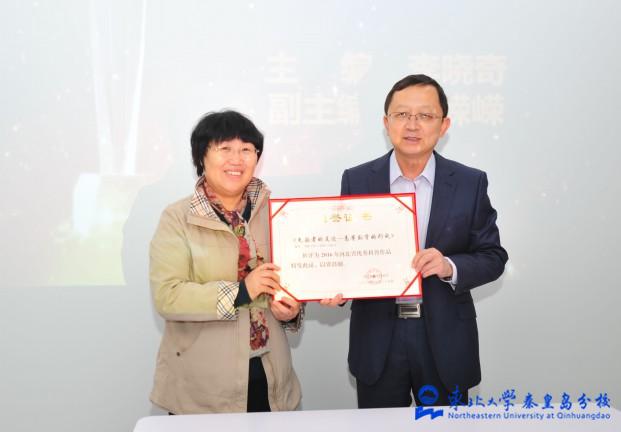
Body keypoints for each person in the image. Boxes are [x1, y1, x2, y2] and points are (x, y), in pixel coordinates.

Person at [322, 74, 508, 407]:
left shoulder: (470, 182)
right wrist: (336, 284)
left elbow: (493, 256)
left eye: (425, 115)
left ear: (444, 124)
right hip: (378, 336)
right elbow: (345, 252)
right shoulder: (358, 179)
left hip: (444, 337)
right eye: (402, 114)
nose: (412, 124)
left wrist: (449, 266)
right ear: (386, 123)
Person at [149, 110, 303, 414]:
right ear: (201, 156)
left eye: (246, 149)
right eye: (225, 149)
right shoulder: (177, 218)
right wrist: (242, 290)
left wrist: (291, 310)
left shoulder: (278, 213)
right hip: (201, 389)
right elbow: (168, 296)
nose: (237, 159)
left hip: (270, 379)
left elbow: (292, 282)